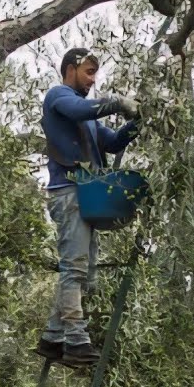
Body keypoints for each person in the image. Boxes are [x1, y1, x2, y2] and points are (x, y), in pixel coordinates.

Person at [35, 48, 142, 366]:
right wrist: (117, 103)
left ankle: (52, 339)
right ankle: (76, 341)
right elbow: (81, 111)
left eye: (96, 73)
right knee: (75, 269)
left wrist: (139, 121)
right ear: (71, 69)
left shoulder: (89, 121)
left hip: (87, 195)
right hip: (68, 193)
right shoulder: (59, 97)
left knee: (85, 273)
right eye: (89, 72)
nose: (93, 79)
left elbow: (112, 142)